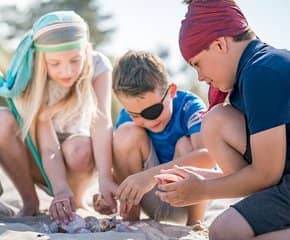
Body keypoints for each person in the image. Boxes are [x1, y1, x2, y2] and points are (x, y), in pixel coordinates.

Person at [156, 0, 290, 239]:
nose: (200, 77)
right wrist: (198, 180)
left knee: (224, 231)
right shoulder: (252, 70)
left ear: (219, 44)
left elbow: (266, 174)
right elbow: (262, 174)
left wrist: (202, 190)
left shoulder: (262, 72)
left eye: (197, 64)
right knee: (216, 120)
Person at [0, 11, 118, 224]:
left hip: (78, 156)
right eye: (55, 63)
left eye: (75, 60)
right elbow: (47, 147)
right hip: (38, 152)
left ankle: (76, 199)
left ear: (86, 50)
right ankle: (30, 202)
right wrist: (59, 189)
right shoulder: (33, 73)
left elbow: (102, 123)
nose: (66, 71)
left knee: (79, 150)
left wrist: (105, 178)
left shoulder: (99, 65)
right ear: (41, 58)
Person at [111, 50, 216, 225]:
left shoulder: (189, 106)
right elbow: (123, 165)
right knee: (126, 132)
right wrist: (111, 190)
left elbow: (208, 157)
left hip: (189, 198)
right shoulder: (129, 119)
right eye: (134, 115)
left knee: (184, 143)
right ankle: (130, 217)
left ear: (172, 91)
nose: (145, 121)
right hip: (148, 198)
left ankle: (194, 224)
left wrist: (150, 176)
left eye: (152, 112)